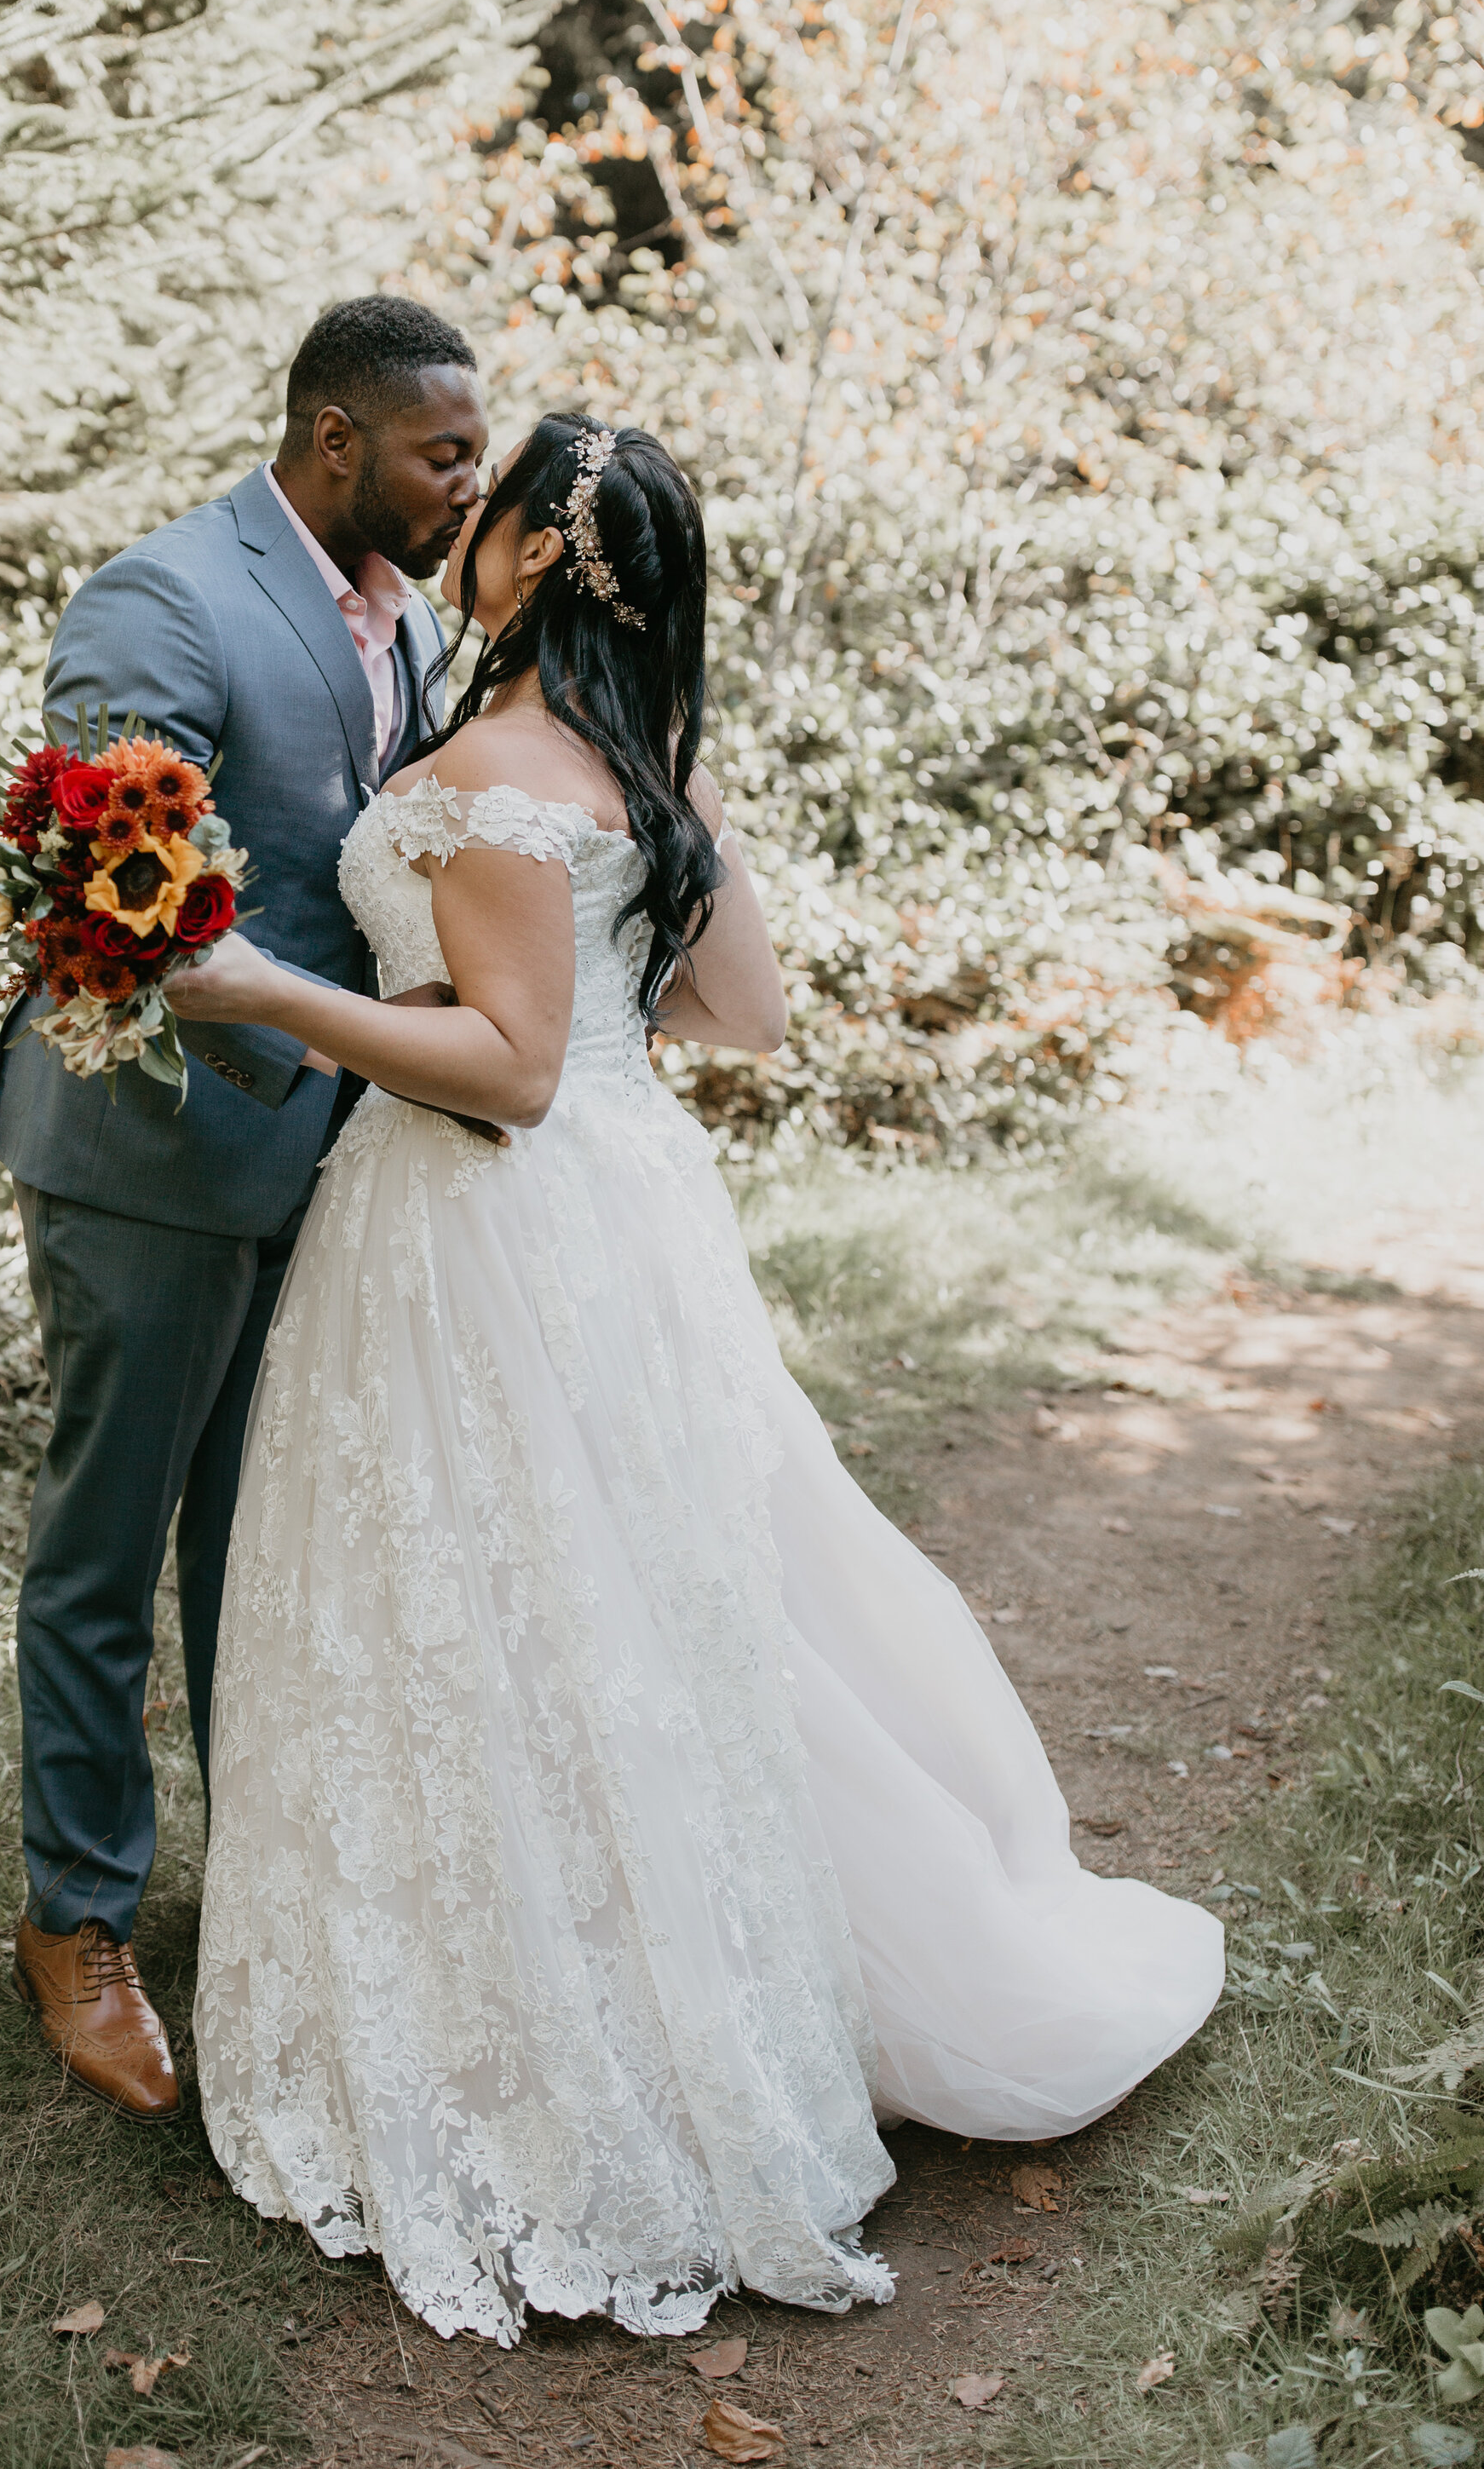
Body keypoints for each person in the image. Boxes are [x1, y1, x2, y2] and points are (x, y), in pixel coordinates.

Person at [170, 412, 1224, 2343]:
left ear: (519, 558)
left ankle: (565, 2025)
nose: (458, 528)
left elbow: (496, 1074)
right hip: (624, 1210)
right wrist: (571, 996)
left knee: (517, 1606)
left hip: (478, 1223)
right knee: (658, 1600)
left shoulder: (492, 767)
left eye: (482, 512)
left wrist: (268, 995)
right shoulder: (643, 761)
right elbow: (739, 1012)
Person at [0, 296, 488, 2121]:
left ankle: (263, 1891)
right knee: (108, 1553)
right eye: (441, 454)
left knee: (267, 1556)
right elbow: (119, 897)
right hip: (162, 1156)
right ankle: (78, 1919)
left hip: (342, 1162)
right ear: (335, 442)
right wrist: (333, 1050)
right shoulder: (165, 599)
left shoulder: (406, 619)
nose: (466, 487)